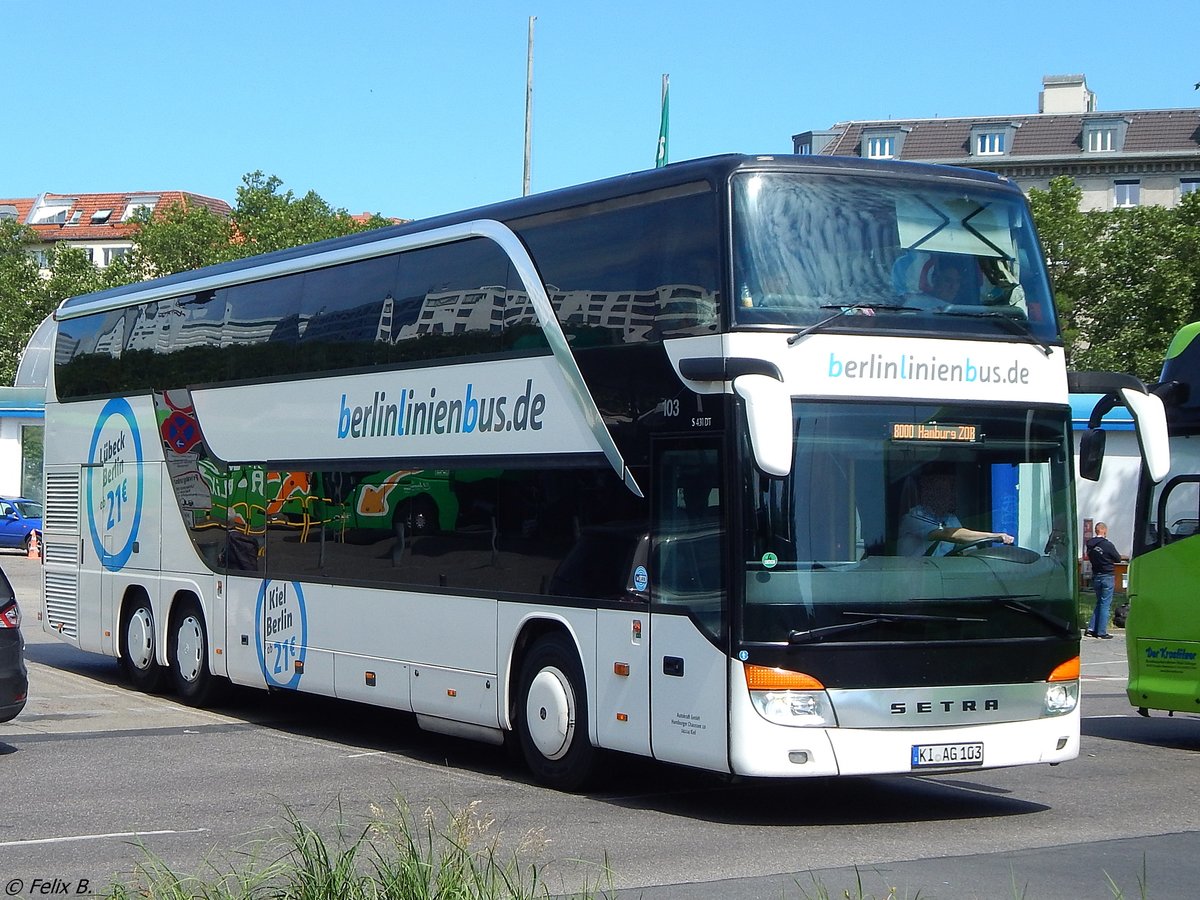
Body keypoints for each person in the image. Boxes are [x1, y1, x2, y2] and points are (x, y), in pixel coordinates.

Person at [897, 470, 1014, 556]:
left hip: (943, 574)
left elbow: (965, 543)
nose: (945, 496)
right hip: (916, 577)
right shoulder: (914, 517)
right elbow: (948, 534)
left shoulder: (950, 519)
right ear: (928, 494)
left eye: (948, 492)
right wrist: (994, 536)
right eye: (939, 491)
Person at [1085, 522, 1122, 639]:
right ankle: (1101, 632)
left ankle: (1091, 628)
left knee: (1099, 602)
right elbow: (1118, 558)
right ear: (1104, 530)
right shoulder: (1107, 545)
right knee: (1105, 604)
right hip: (1107, 575)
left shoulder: (1089, 544)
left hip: (1096, 575)